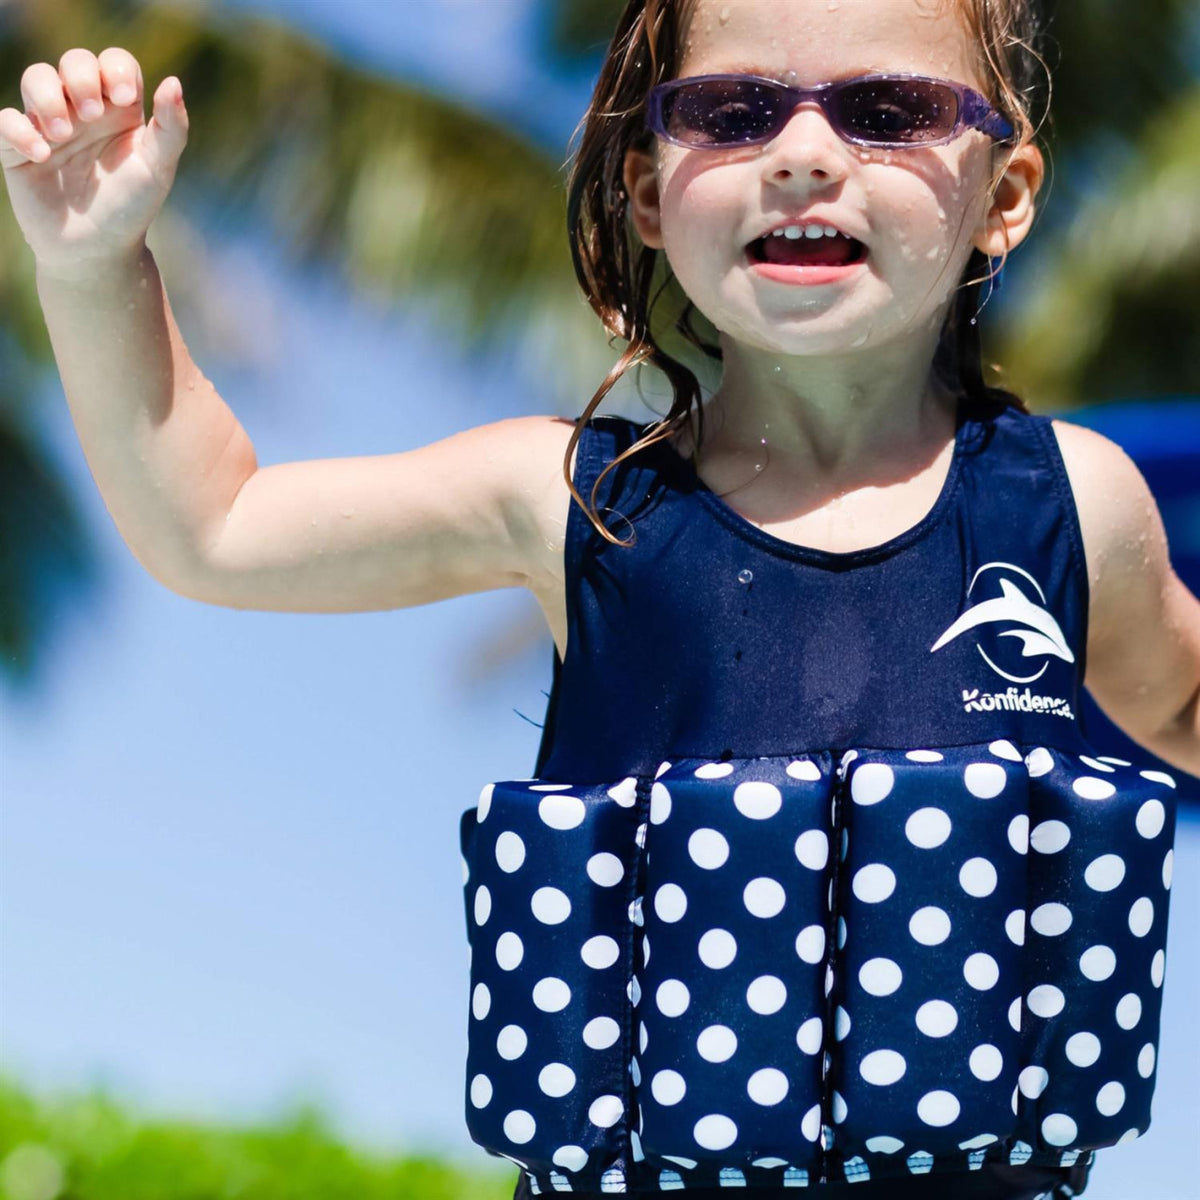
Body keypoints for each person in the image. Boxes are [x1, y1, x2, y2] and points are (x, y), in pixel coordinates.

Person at [1, 0, 1196, 1197]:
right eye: (732, 114)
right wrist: (96, 265)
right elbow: (218, 526)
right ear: (644, 190)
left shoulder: (1073, 511)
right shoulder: (575, 501)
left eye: (889, 112)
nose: (803, 151)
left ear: (1005, 194)